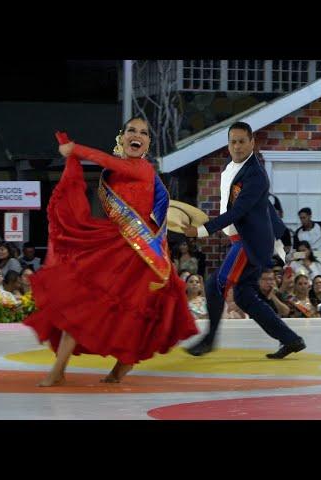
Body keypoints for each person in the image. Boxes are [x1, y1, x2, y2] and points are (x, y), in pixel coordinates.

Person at [24, 118, 198, 386]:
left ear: (148, 144)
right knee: (82, 305)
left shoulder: (143, 169)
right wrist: (73, 156)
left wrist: (75, 149)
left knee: (139, 318)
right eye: (132, 131)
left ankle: (118, 371)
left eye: (143, 133)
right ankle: (58, 369)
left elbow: (107, 161)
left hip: (142, 257)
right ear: (123, 137)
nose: (136, 135)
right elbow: (111, 166)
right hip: (114, 248)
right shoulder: (115, 174)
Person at [182, 121, 305, 359]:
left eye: (241, 141)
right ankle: (291, 340)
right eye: (233, 142)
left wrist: (200, 231)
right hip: (245, 240)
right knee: (244, 296)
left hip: (248, 243)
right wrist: (280, 234)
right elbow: (264, 207)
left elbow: (238, 212)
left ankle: (208, 340)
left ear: (252, 143)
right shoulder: (232, 170)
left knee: (214, 286)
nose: (237, 146)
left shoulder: (255, 174)